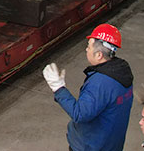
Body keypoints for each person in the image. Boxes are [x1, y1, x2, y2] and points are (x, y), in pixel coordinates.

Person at [42, 23, 134, 151]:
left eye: (89, 46)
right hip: (112, 144)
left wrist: (59, 89)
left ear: (99, 55)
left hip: (91, 146)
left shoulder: (100, 83)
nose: (86, 50)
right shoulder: (122, 72)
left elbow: (80, 114)